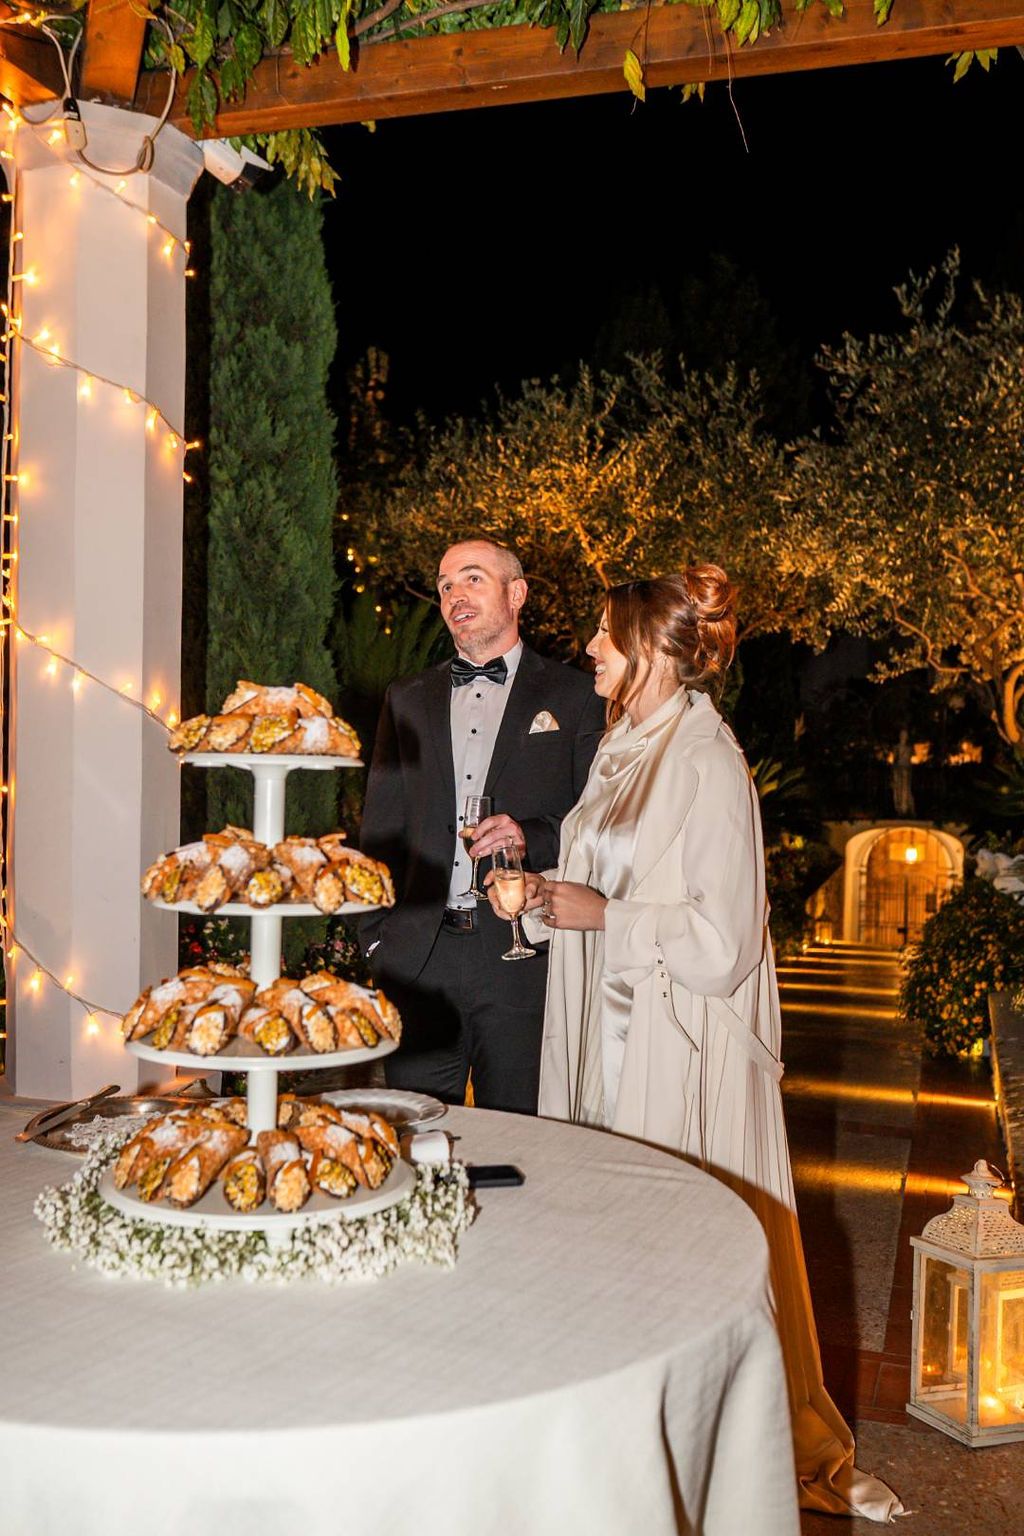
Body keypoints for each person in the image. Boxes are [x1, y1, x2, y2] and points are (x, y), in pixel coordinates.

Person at [491, 566, 903, 1522]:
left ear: (649, 649)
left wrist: (604, 915)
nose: (589, 649)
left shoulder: (708, 761)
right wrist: (547, 899)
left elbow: (722, 943)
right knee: (601, 1225)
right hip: (595, 1030)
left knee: (669, 1243)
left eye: (605, 634)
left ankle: (698, 1441)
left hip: (672, 1046)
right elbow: (601, 884)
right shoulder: (620, 746)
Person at [357, 537, 606, 1114]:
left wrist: (529, 836)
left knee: (521, 1136)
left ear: (516, 594)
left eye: (472, 579)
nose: (455, 595)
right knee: (414, 1132)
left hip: (523, 956)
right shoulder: (406, 698)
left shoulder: (576, 696)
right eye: (445, 585)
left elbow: (594, 819)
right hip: (420, 962)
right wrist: (377, 940)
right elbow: (380, 827)